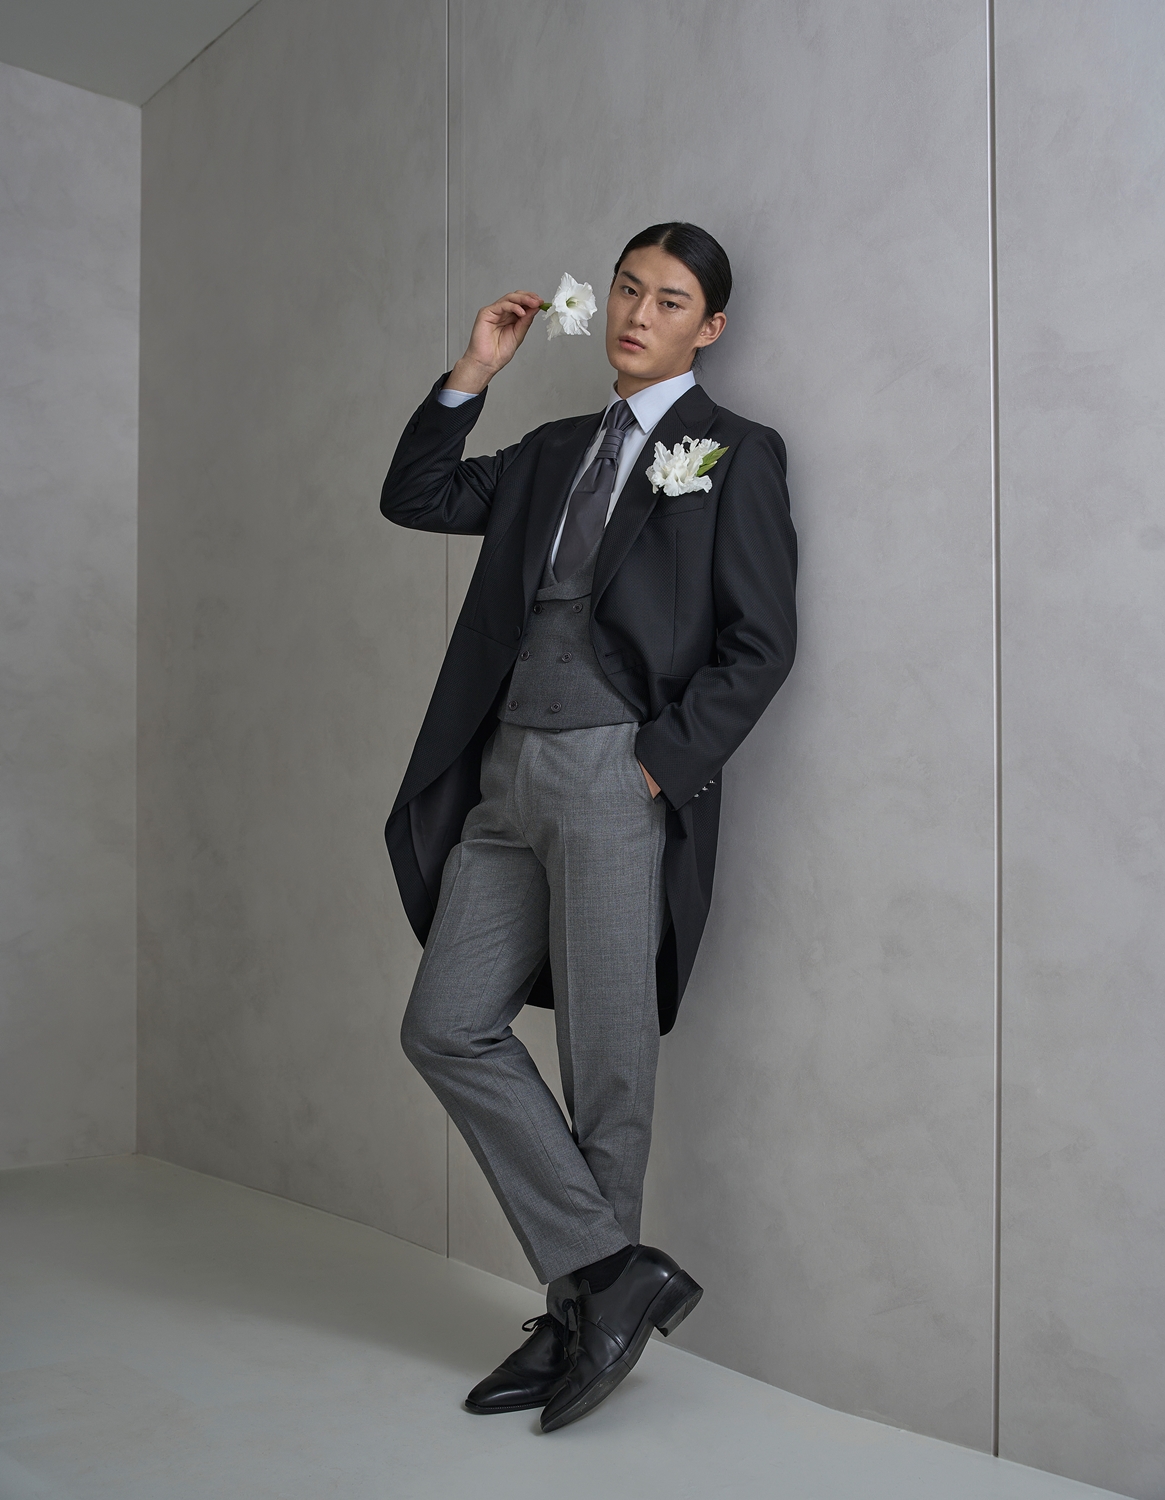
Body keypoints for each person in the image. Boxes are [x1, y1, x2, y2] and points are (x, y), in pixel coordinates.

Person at [380, 222, 797, 1431]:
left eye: (667, 301)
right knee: (446, 1024)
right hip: (503, 773)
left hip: (618, 774)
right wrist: (474, 371)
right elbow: (415, 496)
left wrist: (658, 767)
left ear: (707, 329)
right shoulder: (554, 449)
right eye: (624, 290)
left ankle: (579, 1323)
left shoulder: (735, 452)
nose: (635, 313)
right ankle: (611, 1279)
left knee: (605, 1063)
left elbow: (761, 641)